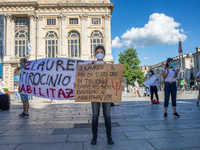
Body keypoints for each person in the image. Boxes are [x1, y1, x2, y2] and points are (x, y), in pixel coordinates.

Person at [74, 45, 123, 145]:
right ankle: (94, 137)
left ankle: (109, 137)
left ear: (104, 54)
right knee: (95, 115)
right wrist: (78, 85)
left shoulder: (110, 67)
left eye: (101, 51)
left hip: (107, 94)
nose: (99, 53)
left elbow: (114, 80)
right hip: (94, 93)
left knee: (107, 115)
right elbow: (85, 80)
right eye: (97, 52)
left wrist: (119, 86)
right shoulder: (90, 68)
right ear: (95, 54)